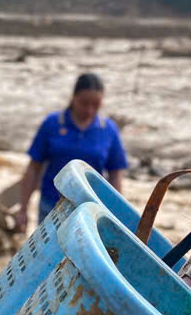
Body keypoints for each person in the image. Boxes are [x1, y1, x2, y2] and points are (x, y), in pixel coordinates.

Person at [14, 73, 128, 230]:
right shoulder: (52, 123)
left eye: (96, 105)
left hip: (91, 212)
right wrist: (23, 209)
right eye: (84, 103)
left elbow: (115, 174)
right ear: (73, 98)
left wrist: (116, 213)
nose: (89, 110)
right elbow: (33, 168)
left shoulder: (108, 130)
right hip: (51, 207)